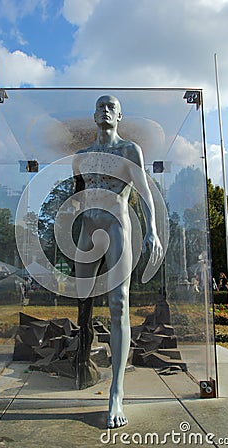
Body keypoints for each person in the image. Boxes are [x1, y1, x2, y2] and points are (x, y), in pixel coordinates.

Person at [72, 95, 163, 428]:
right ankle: (82, 358)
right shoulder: (81, 157)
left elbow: (144, 192)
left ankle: (116, 393)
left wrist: (152, 230)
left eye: (111, 107)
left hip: (116, 225)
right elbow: (77, 195)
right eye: (100, 106)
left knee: (118, 302)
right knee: (83, 299)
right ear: (93, 114)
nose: (105, 110)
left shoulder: (129, 151)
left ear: (120, 115)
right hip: (86, 229)